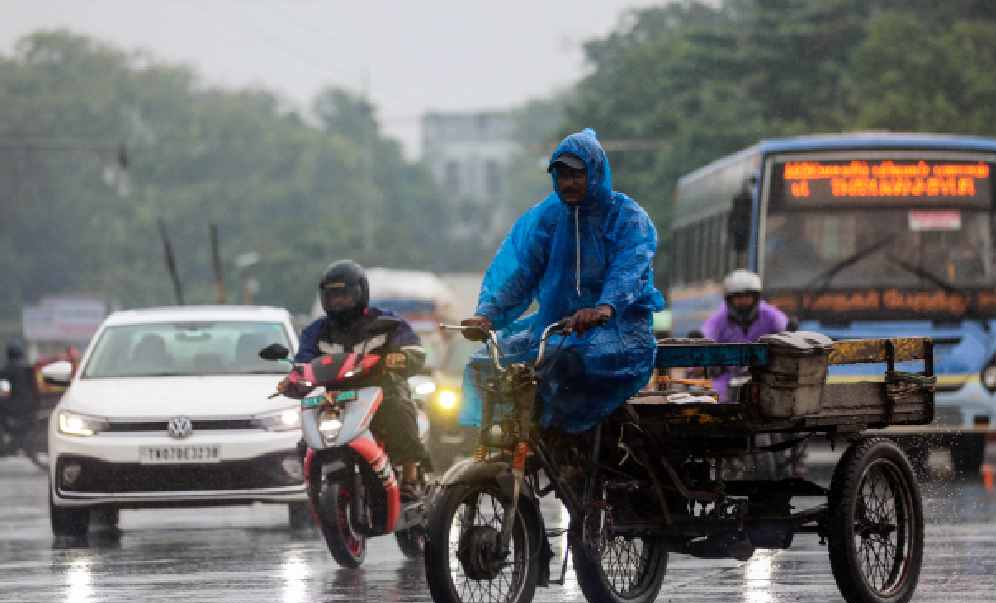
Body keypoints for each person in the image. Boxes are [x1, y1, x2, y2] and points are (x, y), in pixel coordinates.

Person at [459, 128, 665, 433]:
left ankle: (587, 447)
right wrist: (487, 314)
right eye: (561, 175)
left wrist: (604, 308)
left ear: (595, 171)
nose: (568, 183)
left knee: (567, 360)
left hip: (619, 330)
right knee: (487, 362)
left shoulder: (627, 217)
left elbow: (629, 268)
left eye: (576, 174)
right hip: (556, 329)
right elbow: (524, 275)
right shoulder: (549, 218)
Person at [284, 260, 430, 497]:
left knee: (399, 409)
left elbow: (413, 348)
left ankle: (410, 477)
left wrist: (401, 357)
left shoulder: (387, 323)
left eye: (344, 294)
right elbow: (303, 363)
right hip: (334, 397)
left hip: (381, 391)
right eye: (332, 295)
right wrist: (292, 380)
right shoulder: (316, 332)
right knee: (305, 438)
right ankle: (309, 488)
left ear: (361, 292)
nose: (338, 300)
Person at [701, 269, 790, 402]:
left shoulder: (772, 316)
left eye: (747, 296)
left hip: (764, 375)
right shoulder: (718, 320)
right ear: (729, 299)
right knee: (713, 399)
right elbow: (705, 340)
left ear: (756, 297)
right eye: (738, 297)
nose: (743, 301)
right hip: (727, 377)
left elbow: (787, 334)